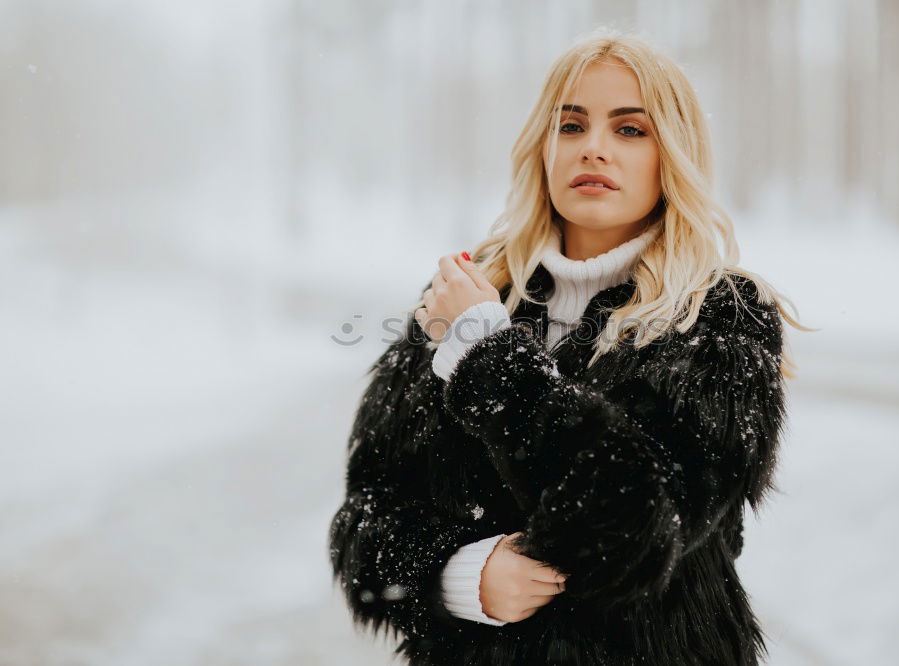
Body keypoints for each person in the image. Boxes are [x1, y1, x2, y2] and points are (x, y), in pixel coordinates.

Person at [328, 29, 809, 666]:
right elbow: (367, 520)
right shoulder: (470, 293)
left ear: (674, 156)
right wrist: (460, 574)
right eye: (572, 125)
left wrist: (487, 361)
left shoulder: (721, 316)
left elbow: (637, 528)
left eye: (631, 129)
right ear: (543, 148)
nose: (595, 149)